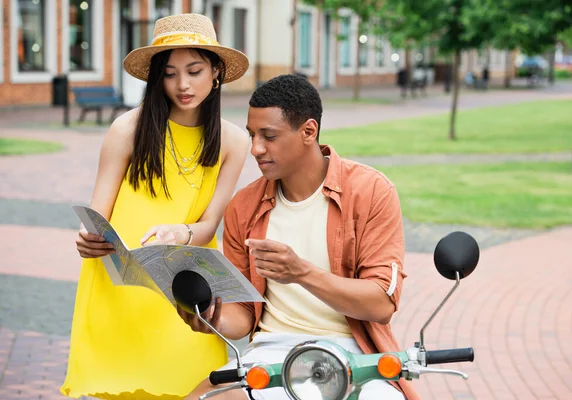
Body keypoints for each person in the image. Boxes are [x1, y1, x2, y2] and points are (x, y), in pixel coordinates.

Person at [178, 74, 420, 400]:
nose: (255, 149)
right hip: (270, 353)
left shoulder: (371, 192)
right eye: (252, 136)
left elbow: (381, 304)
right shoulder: (243, 207)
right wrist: (210, 316)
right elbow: (245, 316)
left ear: (308, 131)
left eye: (269, 136)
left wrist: (301, 272)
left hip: (353, 353)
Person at [61, 13, 250, 399]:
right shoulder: (127, 129)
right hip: (120, 282)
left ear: (215, 72)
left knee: (192, 384)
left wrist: (181, 232)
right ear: (156, 77)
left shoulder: (233, 140)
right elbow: (97, 214)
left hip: (182, 284)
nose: (182, 85)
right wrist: (85, 238)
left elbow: (210, 224)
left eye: (194, 70)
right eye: (170, 73)